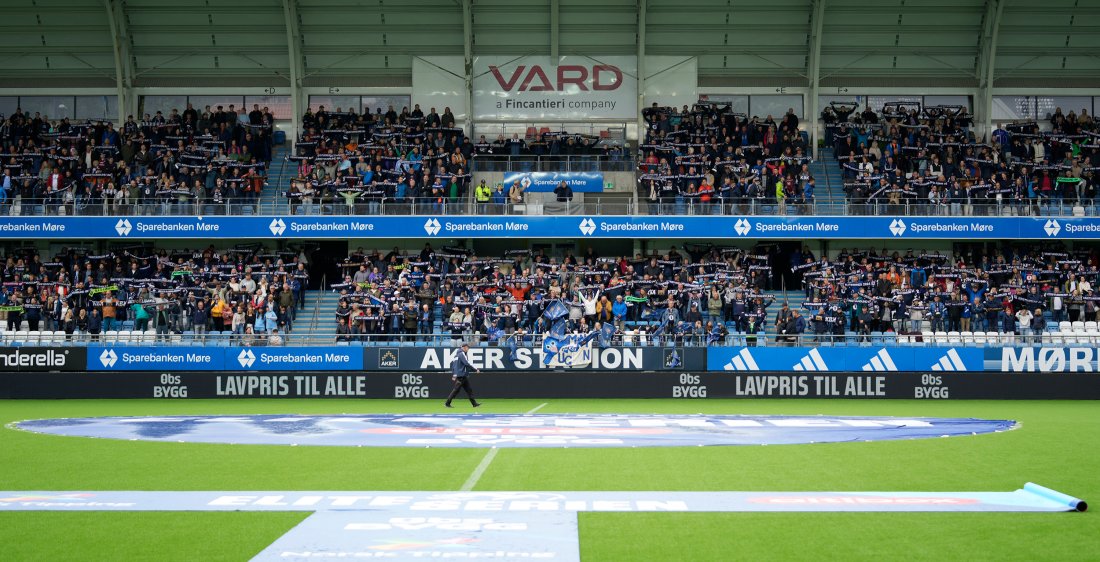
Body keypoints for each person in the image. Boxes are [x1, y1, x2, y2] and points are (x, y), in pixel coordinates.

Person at [445, 342, 481, 408]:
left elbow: (453, 366)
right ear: (464, 347)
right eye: (467, 347)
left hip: (462, 375)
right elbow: (467, 363)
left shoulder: (456, 355)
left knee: (469, 390)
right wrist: (476, 369)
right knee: (456, 390)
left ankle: (474, 404)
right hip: (461, 375)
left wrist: (454, 374)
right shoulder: (462, 353)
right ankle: (447, 403)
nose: (468, 349)